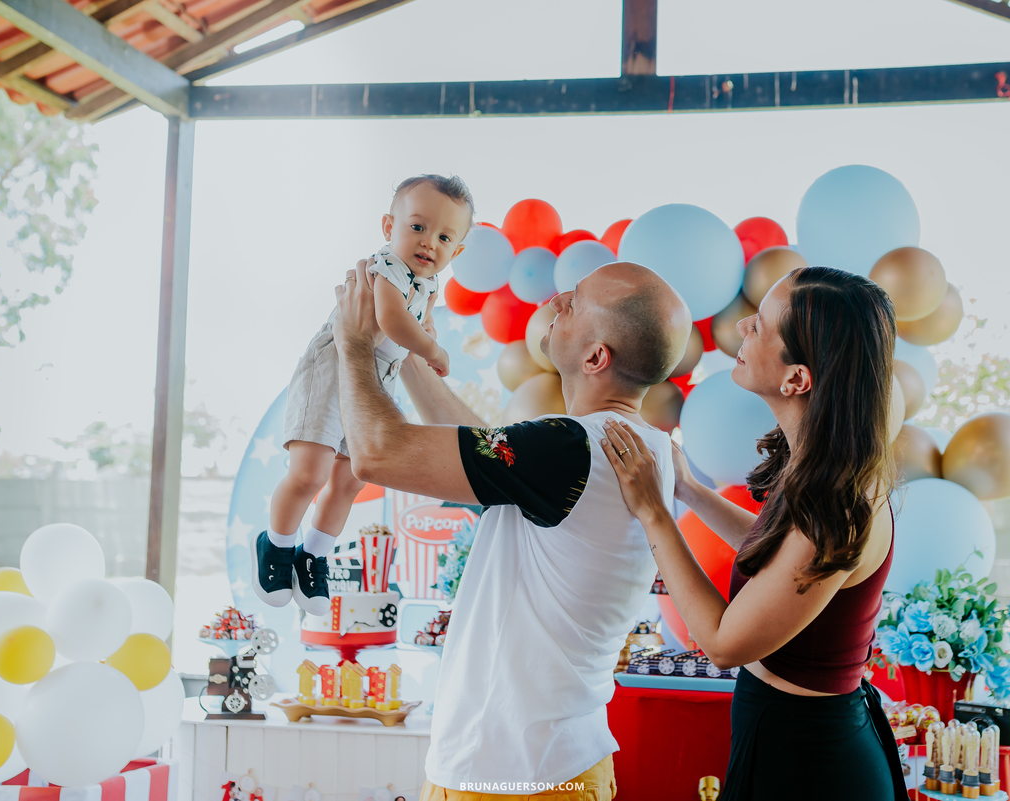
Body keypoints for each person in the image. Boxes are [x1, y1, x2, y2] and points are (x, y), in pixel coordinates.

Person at [330, 258, 692, 800]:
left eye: (573, 302)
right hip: (559, 763)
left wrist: (356, 344)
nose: (554, 302)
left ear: (596, 357)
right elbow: (489, 452)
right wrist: (404, 355)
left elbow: (377, 455)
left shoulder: (568, 447)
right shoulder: (650, 447)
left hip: (510, 775)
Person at [599, 266, 910, 800]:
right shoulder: (823, 467)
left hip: (813, 763)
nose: (742, 327)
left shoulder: (841, 506)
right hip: (784, 734)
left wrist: (654, 512)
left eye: (761, 325)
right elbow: (780, 558)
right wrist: (691, 491)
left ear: (797, 379)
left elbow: (722, 644)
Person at [251, 175, 474, 615]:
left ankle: (313, 554)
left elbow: (415, 321)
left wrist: (426, 328)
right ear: (389, 227)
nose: (429, 242)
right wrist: (432, 348)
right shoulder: (386, 265)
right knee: (310, 472)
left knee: (353, 477)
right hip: (335, 369)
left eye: (444, 236)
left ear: (457, 251)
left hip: (376, 378)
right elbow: (391, 320)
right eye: (417, 227)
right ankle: (276, 544)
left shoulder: (428, 284)